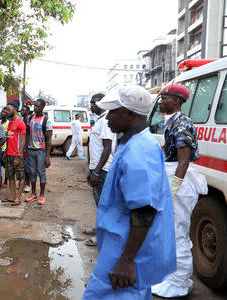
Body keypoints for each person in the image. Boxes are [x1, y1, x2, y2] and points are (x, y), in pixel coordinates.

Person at [82, 85, 176, 300]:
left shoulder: (138, 151)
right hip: (121, 247)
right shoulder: (133, 142)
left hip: (125, 252)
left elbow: (144, 210)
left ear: (130, 114)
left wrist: (127, 260)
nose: (108, 118)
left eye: (113, 112)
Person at [151, 84, 208, 298]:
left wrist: (172, 190)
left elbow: (183, 161)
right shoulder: (173, 122)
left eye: (164, 97)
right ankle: (176, 277)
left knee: (178, 233)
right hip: (177, 178)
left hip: (180, 181)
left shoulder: (181, 123)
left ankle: (179, 283)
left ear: (176, 101)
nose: (160, 101)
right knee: (174, 231)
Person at [24, 99, 52, 205]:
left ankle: (42, 194)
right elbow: (27, 134)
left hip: (41, 151)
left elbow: (49, 139)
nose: (35, 108)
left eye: (38, 106)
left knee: (41, 172)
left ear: (43, 107)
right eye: (34, 106)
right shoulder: (30, 118)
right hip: (31, 150)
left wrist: (47, 156)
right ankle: (33, 193)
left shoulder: (46, 120)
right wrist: (25, 148)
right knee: (32, 172)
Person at [4, 100, 26, 206]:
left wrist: (18, 156)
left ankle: (18, 196)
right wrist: (5, 153)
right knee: (10, 176)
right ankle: (13, 195)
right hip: (8, 154)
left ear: (15, 109)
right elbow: (9, 139)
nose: (7, 111)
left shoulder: (20, 123)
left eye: (9, 109)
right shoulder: (10, 123)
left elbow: (23, 142)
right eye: (6, 109)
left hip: (17, 156)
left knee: (20, 177)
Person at [20, 105, 32, 193]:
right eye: (21, 110)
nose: (22, 111)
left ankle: (28, 184)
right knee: (23, 166)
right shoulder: (23, 120)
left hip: (27, 146)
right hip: (23, 145)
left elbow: (28, 135)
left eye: (23, 110)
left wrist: (25, 147)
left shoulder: (29, 121)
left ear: (28, 111)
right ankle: (24, 183)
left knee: (27, 167)